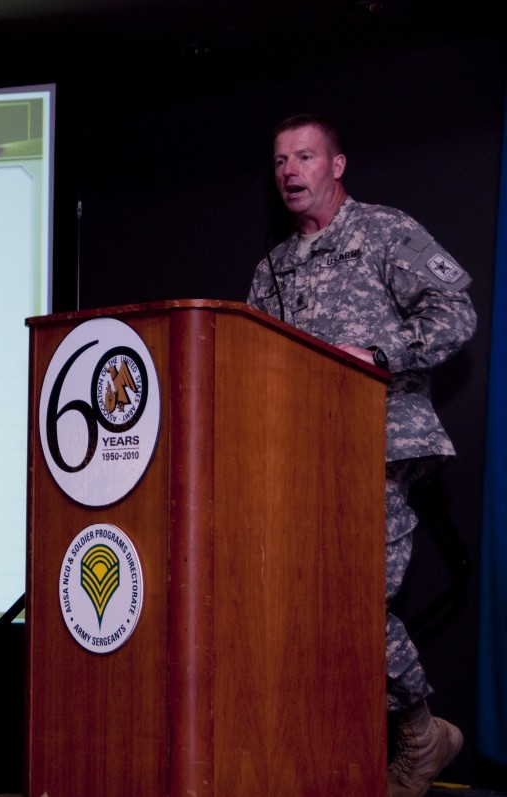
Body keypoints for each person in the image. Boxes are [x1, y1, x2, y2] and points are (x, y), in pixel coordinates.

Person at [247, 113, 476, 797]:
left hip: (379, 447)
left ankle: (415, 736)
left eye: (306, 156)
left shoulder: (383, 231)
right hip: (296, 463)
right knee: (301, 612)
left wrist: (379, 355)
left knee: (350, 604)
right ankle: (395, 736)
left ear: (337, 166)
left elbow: (454, 310)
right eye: (281, 160)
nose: (290, 170)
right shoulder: (272, 269)